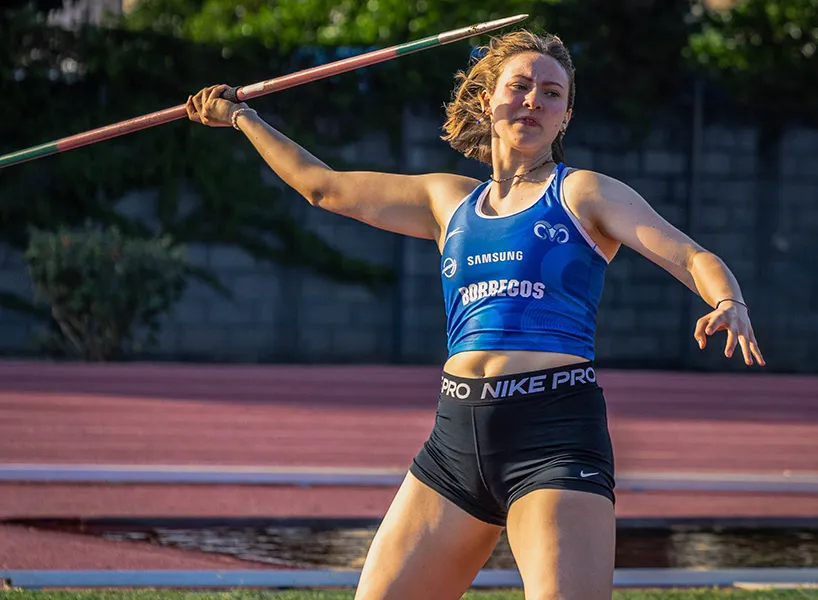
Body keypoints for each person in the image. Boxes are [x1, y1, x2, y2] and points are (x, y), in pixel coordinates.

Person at [187, 29, 765, 600]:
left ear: (565, 117)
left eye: (551, 93)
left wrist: (727, 301)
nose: (534, 100)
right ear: (489, 98)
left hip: (554, 437)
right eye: (519, 86)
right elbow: (324, 188)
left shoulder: (583, 193)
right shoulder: (446, 202)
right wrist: (243, 118)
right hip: (454, 441)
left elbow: (692, 256)